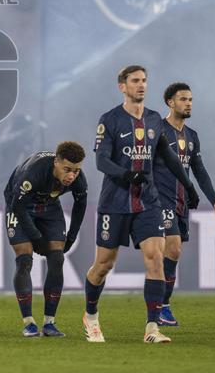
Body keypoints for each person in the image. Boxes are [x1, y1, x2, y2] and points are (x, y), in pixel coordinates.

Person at [82, 65, 200, 344]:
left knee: (155, 258)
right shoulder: (110, 119)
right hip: (115, 202)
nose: (141, 85)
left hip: (148, 201)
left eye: (144, 80)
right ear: (122, 86)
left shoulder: (154, 119)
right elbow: (101, 161)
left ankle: (152, 328)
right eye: (135, 81)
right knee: (103, 264)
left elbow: (169, 156)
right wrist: (126, 174)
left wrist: (188, 185)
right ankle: (91, 316)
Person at [154, 82, 215, 326]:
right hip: (160, 199)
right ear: (170, 102)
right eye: (183, 99)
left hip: (182, 201)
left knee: (173, 252)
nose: (188, 104)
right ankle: (162, 307)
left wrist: (214, 200)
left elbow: (200, 171)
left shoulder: (192, 136)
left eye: (190, 100)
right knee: (173, 247)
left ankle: (162, 305)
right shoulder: (157, 130)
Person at [3, 141, 87, 337]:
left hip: (49, 206)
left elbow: (80, 203)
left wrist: (72, 236)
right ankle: (28, 323)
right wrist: (36, 237)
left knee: (57, 258)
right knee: (24, 259)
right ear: (56, 162)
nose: (71, 176)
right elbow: (17, 205)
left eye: (76, 171)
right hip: (20, 206)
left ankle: (50, 323)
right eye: (67, 169)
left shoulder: (78, 179)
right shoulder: (34, 172)